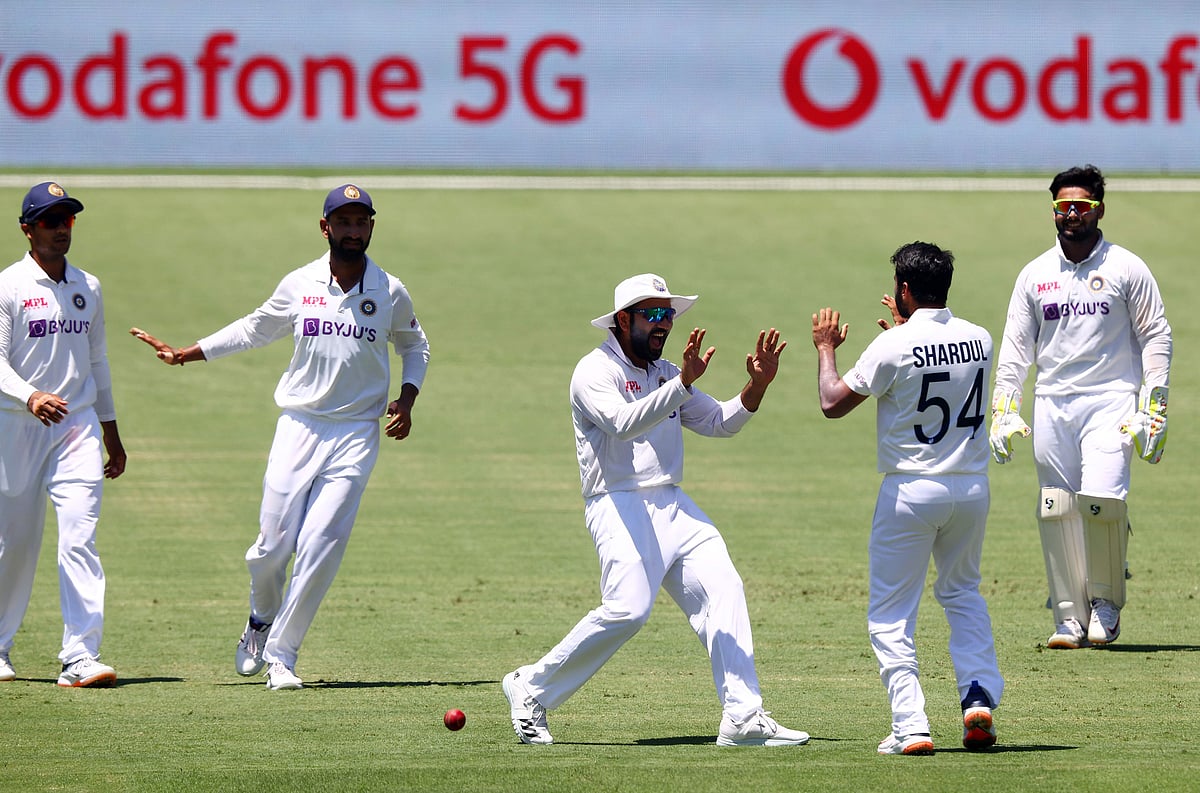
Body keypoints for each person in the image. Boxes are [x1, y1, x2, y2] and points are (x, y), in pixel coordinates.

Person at [130, 184, 430, 690]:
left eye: (362, 221)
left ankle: (283, 656)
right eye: (344, 221)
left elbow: (416, 346)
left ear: (372, 228)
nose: (353, 229)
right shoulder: (300, 283)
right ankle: (260, 618)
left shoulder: (390, 290)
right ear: (325, 227)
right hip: (299, 425)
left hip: (356, 431)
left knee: (320, 545)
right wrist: (189, 352)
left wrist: (407, 397)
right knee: (270, 550)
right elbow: (254, 328)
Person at [502, 273, 808, 747]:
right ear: (623, 320)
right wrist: (683, 382)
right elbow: (622, 424)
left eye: (669, 314)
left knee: (724, 586)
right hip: (617, 502)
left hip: (673, 504)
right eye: (655, 314)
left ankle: (743, 717)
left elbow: (719, 423)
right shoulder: (594, 371)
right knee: (628, 611)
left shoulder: (665, 373)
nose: (666, 323)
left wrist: (756, 387)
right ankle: (530, 687)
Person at [812, 241, 1002, 755]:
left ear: (902, 291)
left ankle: (911, 725)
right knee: (962, 594)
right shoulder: (981, 339)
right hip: (971, 488)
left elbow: (832, 403)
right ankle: (978, 698)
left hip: (911, 491)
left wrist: (827, 348)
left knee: (892, 614)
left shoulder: (892, 346)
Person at [990, 164, 1172, 649]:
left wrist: (1154, 406)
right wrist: (1004, 409)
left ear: (1099, 210)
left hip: (1112, 401)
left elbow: (1156, 334)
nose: (1072, 214)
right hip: (1052, 403)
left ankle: (1106, 606)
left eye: (1082, 206)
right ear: (1053, 211)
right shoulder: (1035, 275)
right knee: (1058, 509)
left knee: (1101, 502)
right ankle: (1069, 615)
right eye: (1063, 206)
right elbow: (1015, 349)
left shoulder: (1126, 267)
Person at [0, 182, 127, 687]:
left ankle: (80, 656)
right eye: (51, 221)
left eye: (68, 220)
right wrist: (30, 396)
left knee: (80, 536)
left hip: (75, 428)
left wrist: (110, 431)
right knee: (14, 543)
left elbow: (97, 361)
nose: (61, 229)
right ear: (28, 229)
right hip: (16, 425)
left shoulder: (88, 287)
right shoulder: (8, 286)